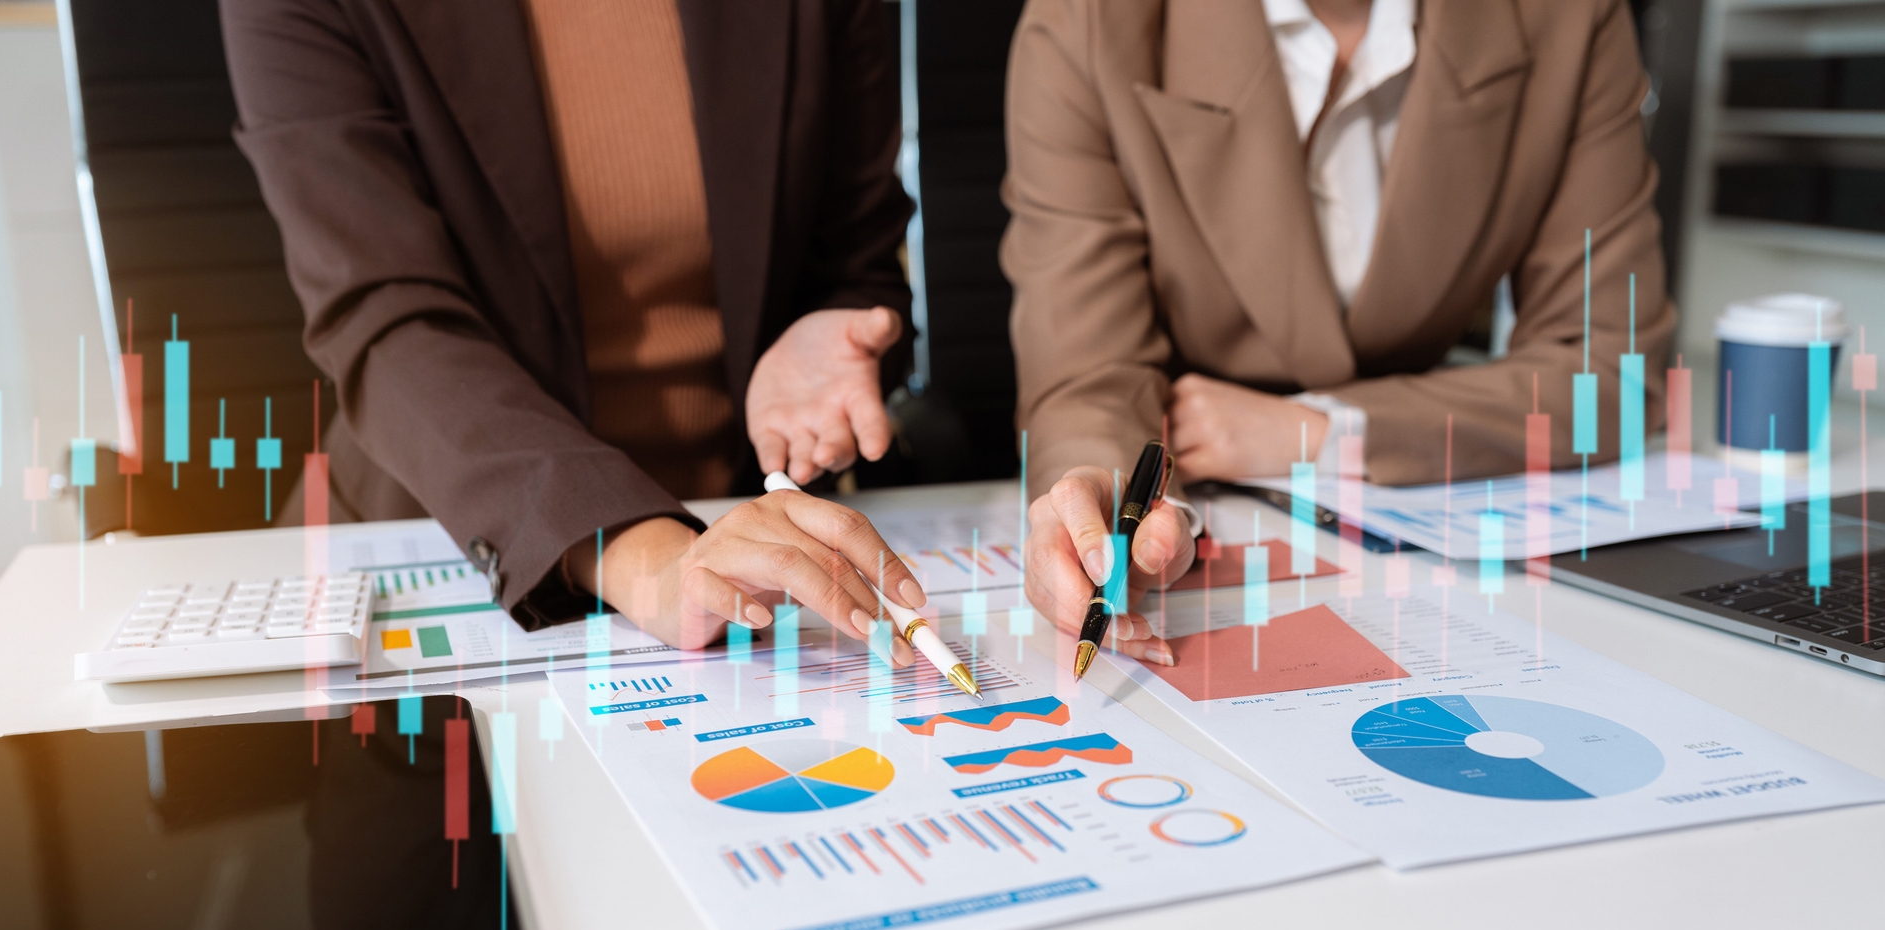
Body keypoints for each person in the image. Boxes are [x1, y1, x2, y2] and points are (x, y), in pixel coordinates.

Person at [222, 0, 925, 658]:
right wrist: (649, 558)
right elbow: (386, 315)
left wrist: (834, 330)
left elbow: (857, 255)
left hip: (750, 549)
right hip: (449, 562)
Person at [1003, 0, 1676, 662]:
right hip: (1197, 501)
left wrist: (1323, 429)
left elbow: (1607, 367)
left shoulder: (1567, 18)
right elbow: (1087, 367)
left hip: (1413, 533)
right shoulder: (1087, 19)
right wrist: (1092, 480)